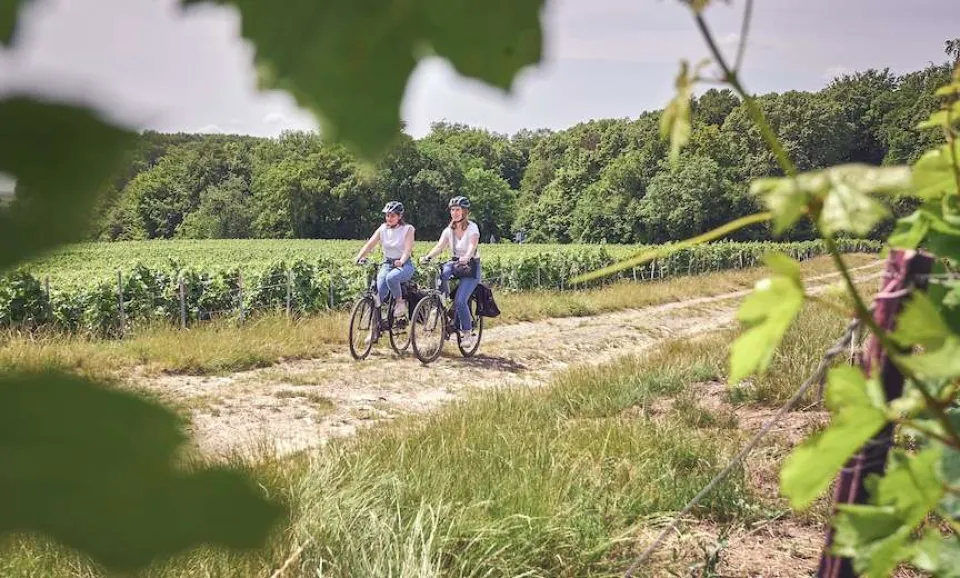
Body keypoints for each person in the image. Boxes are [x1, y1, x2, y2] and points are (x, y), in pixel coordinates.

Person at [420, 196, 481, 348]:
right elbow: (440, 247)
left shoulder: (472, 228)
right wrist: (427, 256)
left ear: (465, 212)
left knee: (460, 300)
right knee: (442, 272)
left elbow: (472, 245)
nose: (454, 213)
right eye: (452, 210)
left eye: (458, 210)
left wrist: (467, 256)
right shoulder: (449, 230)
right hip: (455, 263)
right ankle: (440, 302)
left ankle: (467, 332)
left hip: (470, 267)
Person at [354, 201, 416, 319]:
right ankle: (375, 327)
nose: (389, 218)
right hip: (387, 264)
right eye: (387, 215)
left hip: (404, 265)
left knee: (391, 278)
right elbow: (370, 244)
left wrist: (401, 261)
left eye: (392, 215)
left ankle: (399, 303)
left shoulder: (408, 229)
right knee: (380, 292)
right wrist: (360, 256)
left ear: (399, 216)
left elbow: (407, 250)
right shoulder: (382, 229)